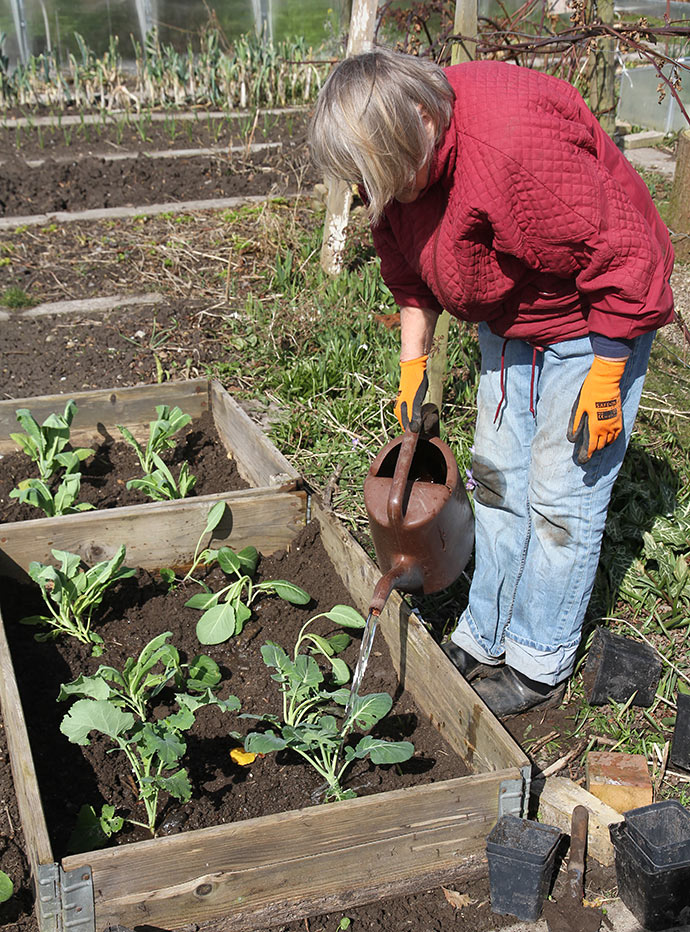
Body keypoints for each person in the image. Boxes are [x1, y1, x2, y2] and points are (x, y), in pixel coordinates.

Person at [308, 48, 675, 718]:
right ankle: (487, 632)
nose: (390, 191)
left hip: (593, 320)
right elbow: (409, 269)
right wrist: (413, 364)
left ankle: (540, 661)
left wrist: (608, 374)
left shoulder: (511, 149)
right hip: (511, 316)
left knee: (562, 498)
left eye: (395, 172)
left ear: (422, 115)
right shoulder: (398, 169)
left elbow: (626, 254)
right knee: (499, 478)